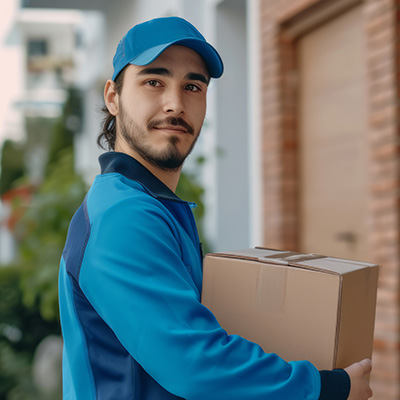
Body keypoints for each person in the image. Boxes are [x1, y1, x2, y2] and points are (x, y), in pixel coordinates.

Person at [58, 16, 373, 400]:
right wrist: (330, 388)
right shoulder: (123, 216)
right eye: (153, 82)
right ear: (113, 96)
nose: (175, 104)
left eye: (192, 86)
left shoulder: (153, 206)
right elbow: (195, 364)